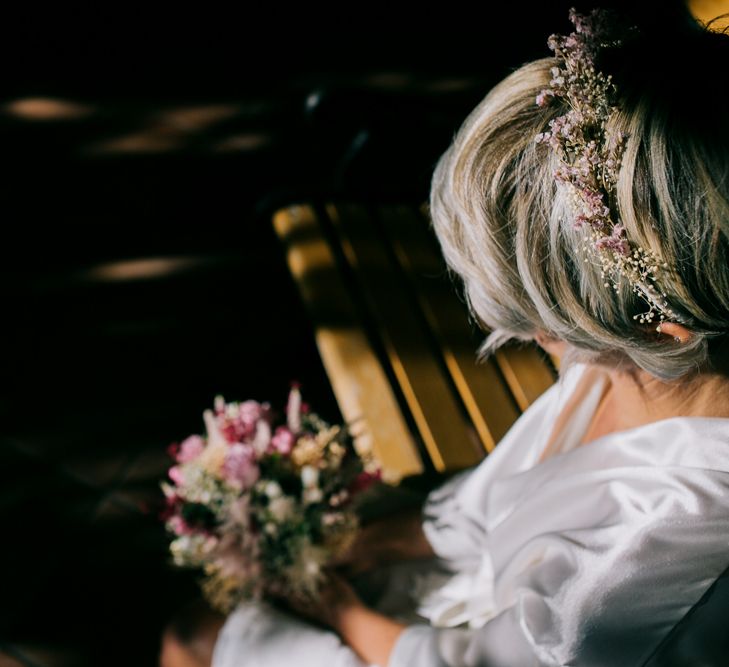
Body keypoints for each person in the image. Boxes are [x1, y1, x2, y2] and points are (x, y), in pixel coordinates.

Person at [169, 4, 729, 666]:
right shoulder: (642, 362)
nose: (520, 332)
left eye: (543, 316)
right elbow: (490, 498)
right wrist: (356, 542)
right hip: (480, 594)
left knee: (197, 635)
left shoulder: (641, 562)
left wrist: (330, 603)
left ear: (661, 328)